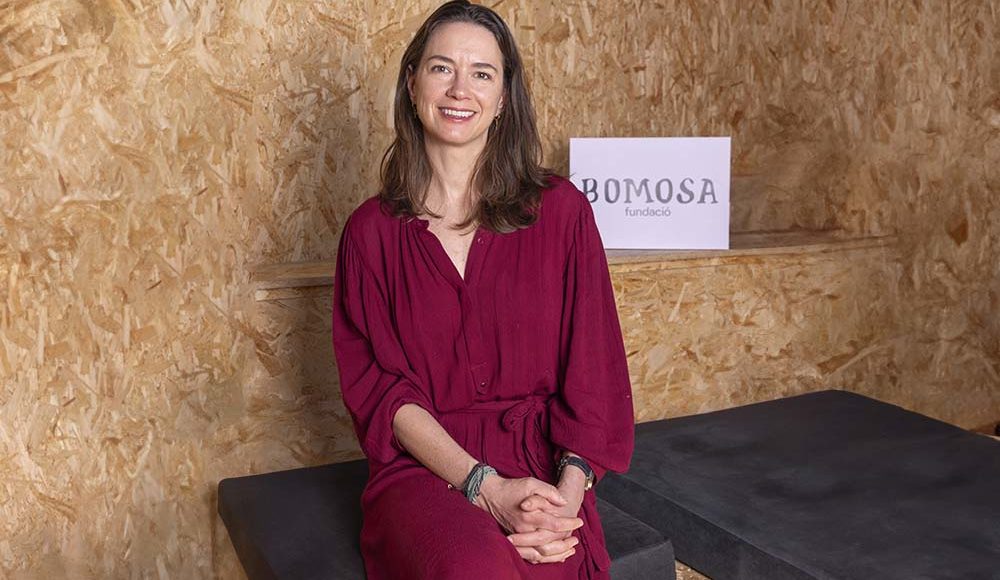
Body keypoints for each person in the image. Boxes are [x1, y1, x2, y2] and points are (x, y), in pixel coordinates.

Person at [331, 2, 634, 578]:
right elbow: (380, 391)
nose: (459, 89)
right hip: (426, 470)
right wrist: (484, 486)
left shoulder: (562, 212)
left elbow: (594, 375)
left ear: (503, 98)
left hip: (543, 465)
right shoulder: (370, 233)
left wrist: (564, 503)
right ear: (412, 83)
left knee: (555, 563)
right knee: (473, 569)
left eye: (482, 73)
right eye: (441, 68)